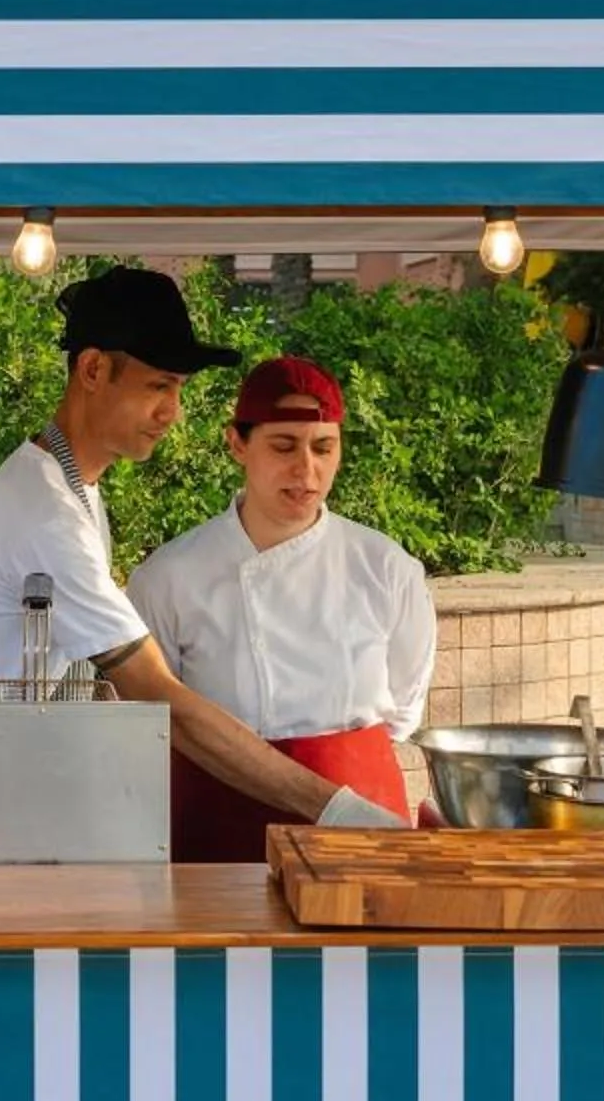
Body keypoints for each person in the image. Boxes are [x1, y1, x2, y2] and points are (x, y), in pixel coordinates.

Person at [0, 269, 406, 832]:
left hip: (35, 790)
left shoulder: (73, 487)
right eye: (158, 386)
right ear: (92, 369)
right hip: (10, 807)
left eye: (179, 390)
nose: (173, 412)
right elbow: (160, 698)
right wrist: (341, 810)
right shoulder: (44, 514)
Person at [125, 353, 439, 861]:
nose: (306, 469)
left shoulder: (385, 567)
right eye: (284, 445)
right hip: (218, 820)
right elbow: (154, 717)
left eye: (323, 447)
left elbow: (403, 707)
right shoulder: (169, 577)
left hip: (360, 821)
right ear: (237, 444)